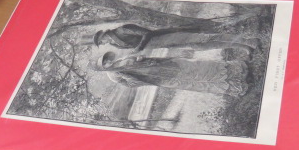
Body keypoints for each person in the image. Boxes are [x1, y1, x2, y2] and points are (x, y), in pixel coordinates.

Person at [97, 51, 249, 97]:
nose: (108, 62)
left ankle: (237, 72)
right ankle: (236, 85)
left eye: (106, 60)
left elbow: (139, 57)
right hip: (160, 76)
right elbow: (131, 84)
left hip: (162, 64)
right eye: (105, 63)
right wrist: (142, 75)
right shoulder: (114, 75)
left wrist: (141, 58)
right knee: (193, 80)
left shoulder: (121, 59)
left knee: (195, 67)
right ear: (103, 68)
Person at [94, 23, 258, 55]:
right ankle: (243, 47)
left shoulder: (123, 29)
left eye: (101, 41)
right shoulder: (117, 43)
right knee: (205, 46)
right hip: (171, 44)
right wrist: (137, 52)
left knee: (208, 37)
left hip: (169, 36)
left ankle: (248, 40)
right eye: (102, 43)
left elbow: (148, 33)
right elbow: (138, 47)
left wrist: (140, 47)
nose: (104, 43)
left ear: (103, 35)